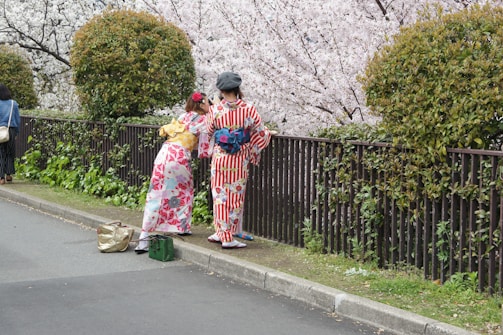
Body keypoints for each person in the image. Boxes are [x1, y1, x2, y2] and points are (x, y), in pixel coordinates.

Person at [135, 92, 211, 254]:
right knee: (184, 192)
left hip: (164, 155)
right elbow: (204, 150)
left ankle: (144, 237)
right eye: (208, 103)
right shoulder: (205, 121)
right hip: (179, 158)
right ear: (202, 104)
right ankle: (180, 226)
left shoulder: (183, 116)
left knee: (155, 194)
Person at [206, 72, 271, 249]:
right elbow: (260, 132)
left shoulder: (215, 110)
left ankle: (221, 232)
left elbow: (209, 132)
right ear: (238, 88)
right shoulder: (248, 109)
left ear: (220, 90)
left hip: (220, 157)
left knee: (219, 196)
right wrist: (266, 137)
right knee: (235, 196)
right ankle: (228, 236)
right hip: (239, 157)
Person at [0, 84, 20, 185]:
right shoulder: (13, 104)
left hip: (0, 130)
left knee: (0, 153)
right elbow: (17, 119)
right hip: (10, 130)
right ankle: (8, 174)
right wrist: (16, 132)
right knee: (10, 152)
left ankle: (1, 177)